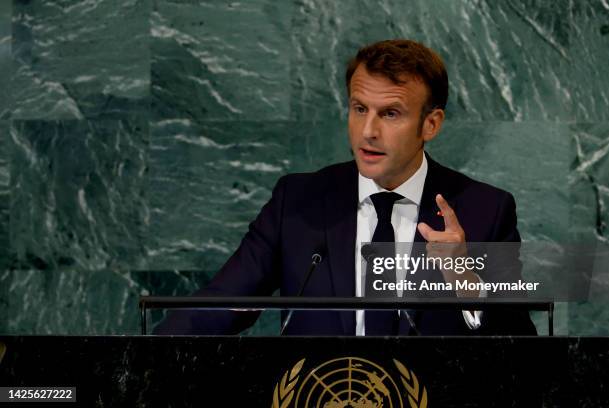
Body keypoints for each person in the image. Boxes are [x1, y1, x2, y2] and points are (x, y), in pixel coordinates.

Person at [154, 39, 536, 336]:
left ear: (430, 125)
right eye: (359, 108)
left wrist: (463, 278)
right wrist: (140, 360)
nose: (368, 131)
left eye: (390, 113)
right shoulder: (298, 202)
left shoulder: (485, 210)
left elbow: (520, 347)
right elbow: (220, 304)